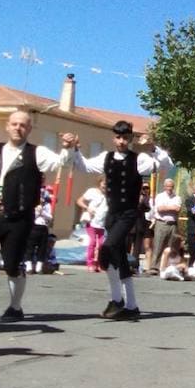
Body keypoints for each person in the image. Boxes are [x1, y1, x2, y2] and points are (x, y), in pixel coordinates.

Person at [0, 111, 74, 323]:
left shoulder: (37, 152)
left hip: (19, 216)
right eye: (14, 124)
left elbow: (61, 163)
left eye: (23, 125)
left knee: (13, 265)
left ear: (29, 129)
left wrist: (67, 148)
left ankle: (15, 307)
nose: (18, 128)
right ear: (7, 126)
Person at [66, 121, 172, 320]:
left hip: (128, 214)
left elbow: (166, 165)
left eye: (125, 137)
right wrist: (75, 149)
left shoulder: (139, 159)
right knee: (119, 258)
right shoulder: (105, 157)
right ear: (114, 137)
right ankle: (127, 304)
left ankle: (118, 300)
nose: (121, 141)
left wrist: (152, 147)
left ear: (130, 138)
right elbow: (84, 166)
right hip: (112, 215)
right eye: (118, 137)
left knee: (109, 247)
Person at [149, 177, 182, 275]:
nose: (169, 188)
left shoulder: (177, 197)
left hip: (173, 224)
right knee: (158, 245)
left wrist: (167, 207)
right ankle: (155, 267)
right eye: (167, 186)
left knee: (172, 247)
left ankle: (168, 266)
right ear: (164, 187)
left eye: (171, 186)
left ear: (173, 187)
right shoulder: (159, 196)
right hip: (161, 223)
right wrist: (171, 207)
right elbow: (160, 209)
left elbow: (177, 209)